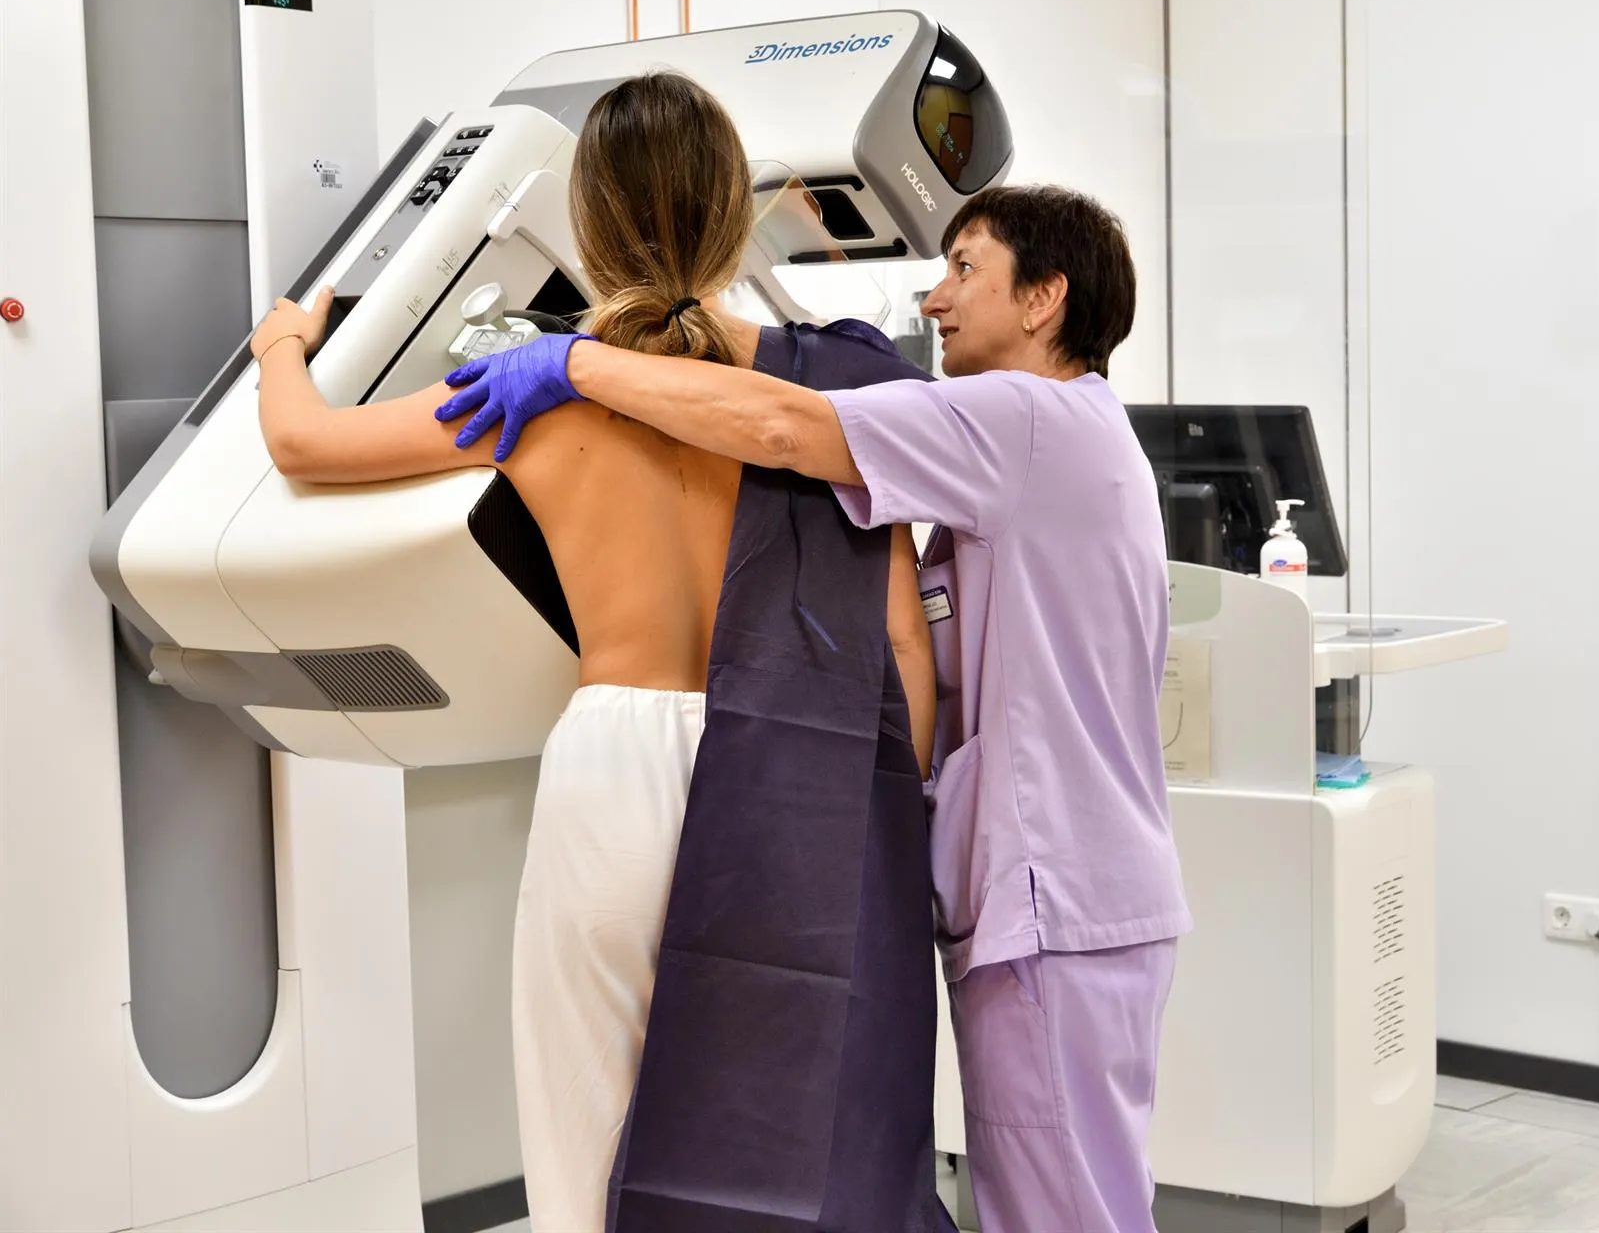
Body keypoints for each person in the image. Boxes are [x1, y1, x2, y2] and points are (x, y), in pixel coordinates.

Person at [248, 72, 936, 1232]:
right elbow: (905, 641)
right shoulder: (830, 395)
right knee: (791, 1143)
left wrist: (282, 343)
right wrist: (884, 816)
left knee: (587, 1141)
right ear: (735, 215)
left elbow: (302, 442)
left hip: (611, 775)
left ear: (588, 225)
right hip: (793, 774)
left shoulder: (532, 395)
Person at [438, 183, 1191, 1232]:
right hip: (1056, 898)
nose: (934, 298)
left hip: (1055, 899)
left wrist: (575, 363)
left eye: (964, 268)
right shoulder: (1055, 441)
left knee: (1065, 1214)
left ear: (1043, 299)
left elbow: (785, 425)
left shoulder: (1026, 420)